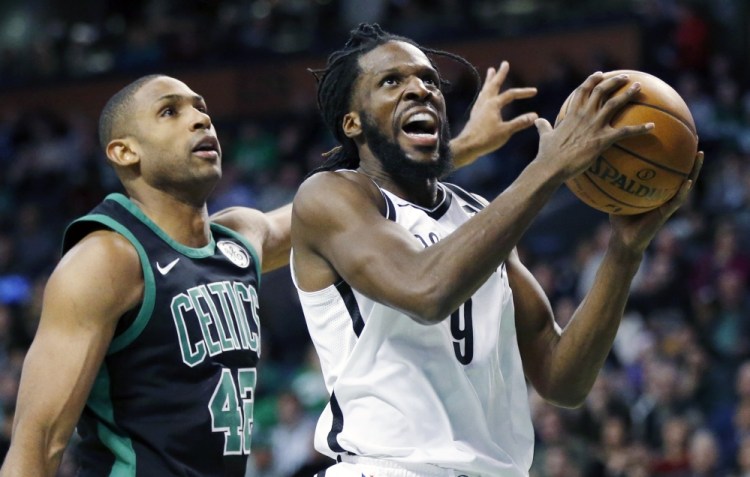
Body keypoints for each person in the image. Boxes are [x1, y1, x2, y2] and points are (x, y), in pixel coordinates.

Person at [0, 61, 540, 476]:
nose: (199, 118)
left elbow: (347, 206)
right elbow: (38, 444)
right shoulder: (106, 258)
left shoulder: (237, 239)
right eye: (171, 111)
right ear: (124, 152)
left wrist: (461, 144)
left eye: (201, 107)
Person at [290, 23, 704, 476]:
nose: (420, 90)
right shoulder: (331, 196)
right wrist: (547, 168)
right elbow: (425, 290)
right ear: (352, 122)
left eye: (429, 80)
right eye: (392, 81)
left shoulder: (476, 213)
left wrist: (625, 252)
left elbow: (562, 378)